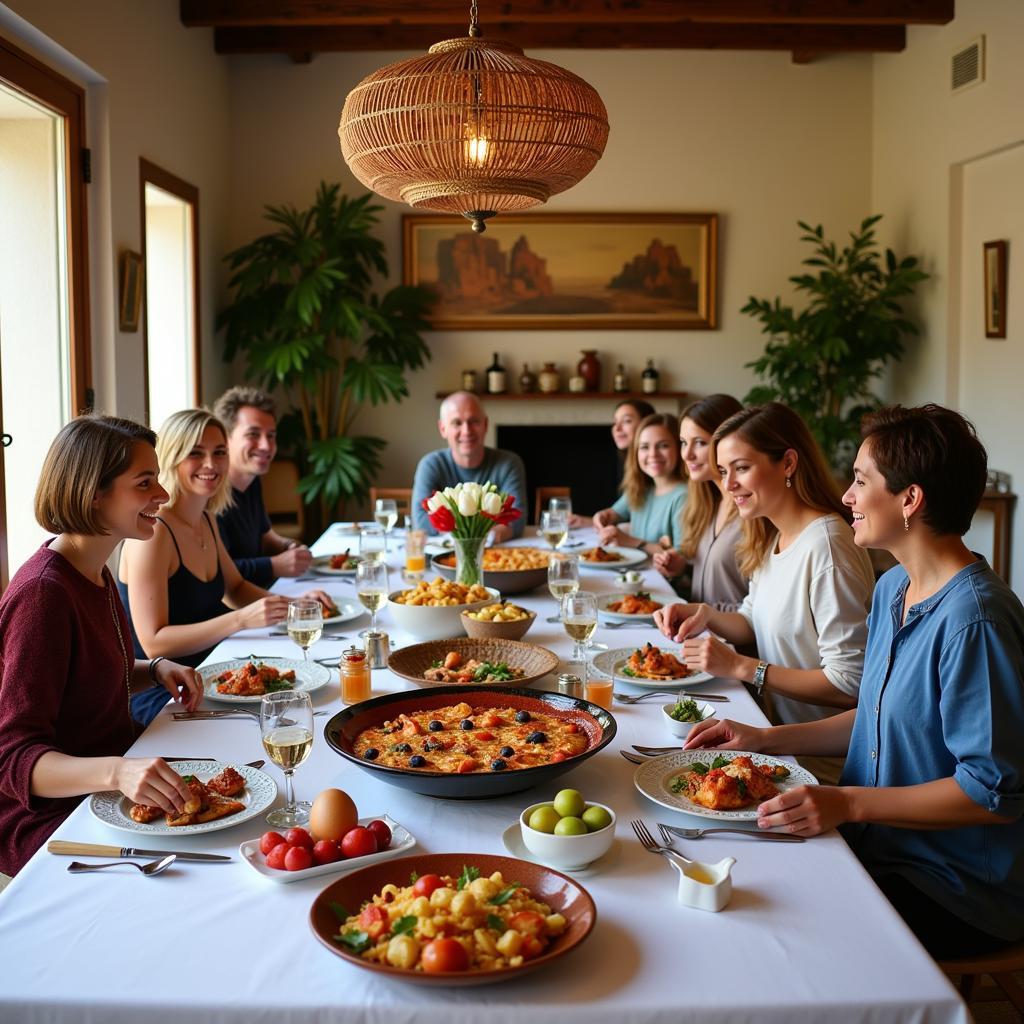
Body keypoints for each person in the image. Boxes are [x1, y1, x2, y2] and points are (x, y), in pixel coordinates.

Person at [683, 404, 1024, 961]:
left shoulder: (975, 621)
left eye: (861, 481)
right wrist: (764, 739)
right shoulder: (893, 589)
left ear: (910, 500)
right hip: (876, 844)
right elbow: (872, 716)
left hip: (953, 884)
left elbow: (990, 794)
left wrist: (847, 804)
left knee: (771, 938)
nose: (846, 496)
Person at [0, 416, 203, 879]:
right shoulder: (43, 594)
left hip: (113, 785)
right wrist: (117, 774)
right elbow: (13, 757)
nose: (164, 496)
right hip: (51, 817)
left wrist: (153, 669)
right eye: (144, 483)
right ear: (95, 493)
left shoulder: (94, 569)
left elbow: (82, 677)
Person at [654, 402, 874, 731]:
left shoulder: (827, 548)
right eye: (724, 471)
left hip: (820, 760)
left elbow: (850, 682)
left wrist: (744, 667)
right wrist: (704, 614)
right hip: (771, 729)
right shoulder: (772, 535)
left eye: (740, 468)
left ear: (787, 463)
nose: (727, 486)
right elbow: (751, 619)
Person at [118, 409, 329, 726]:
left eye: (219, 453)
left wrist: (296, 608)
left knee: (303, 710)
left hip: (211, 673)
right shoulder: (155, 532)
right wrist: (241, 620)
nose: (210, 464)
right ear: (171, 458)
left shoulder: (206, 518)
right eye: (195, 453)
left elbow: (236, 587)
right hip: (163, 693)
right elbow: (154, 643)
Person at [653, 395, 747, 607]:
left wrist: (701, 614)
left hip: (729, 638)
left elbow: (760, 613)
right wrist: (682, 569)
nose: (687, 454)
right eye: (684, 443)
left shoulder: (751, 511)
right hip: (698, 631)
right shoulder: (707, 505)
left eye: (700, 443)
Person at [213, 386, 311, 586]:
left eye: (271, 435)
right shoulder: (211, 492)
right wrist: (274, 565)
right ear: (226, 438)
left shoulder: (252, 479)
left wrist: (289, 546)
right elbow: (218, 573)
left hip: (260, 594)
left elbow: (266, 537)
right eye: (253, 434)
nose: (266, 445)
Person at [411, 392, 527, 541]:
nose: (466, 431)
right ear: (443, 429)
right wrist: (471, 534)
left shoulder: (509, 463)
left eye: (474, 421)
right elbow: (420, 520)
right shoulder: (430, 465)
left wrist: (471, 534)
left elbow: (517, 518)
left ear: (485, 425)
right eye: (457, 423)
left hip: (496, 554)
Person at [592, 413, 687, 556]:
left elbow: (682, 556)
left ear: (679, 448)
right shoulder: (642, 488)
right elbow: (613, 513)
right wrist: (602, 516)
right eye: (644, 447)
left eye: (663, 445)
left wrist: (630, 541)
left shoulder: (683, 495)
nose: (653, 454)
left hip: (662, 578)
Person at [571, 398, 656, 528]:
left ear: (647, 424)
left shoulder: (655, 466)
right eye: (615, 422)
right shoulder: (632, 466)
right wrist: (584, 521)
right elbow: (616, 512)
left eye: (627, 421)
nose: (617, 428)